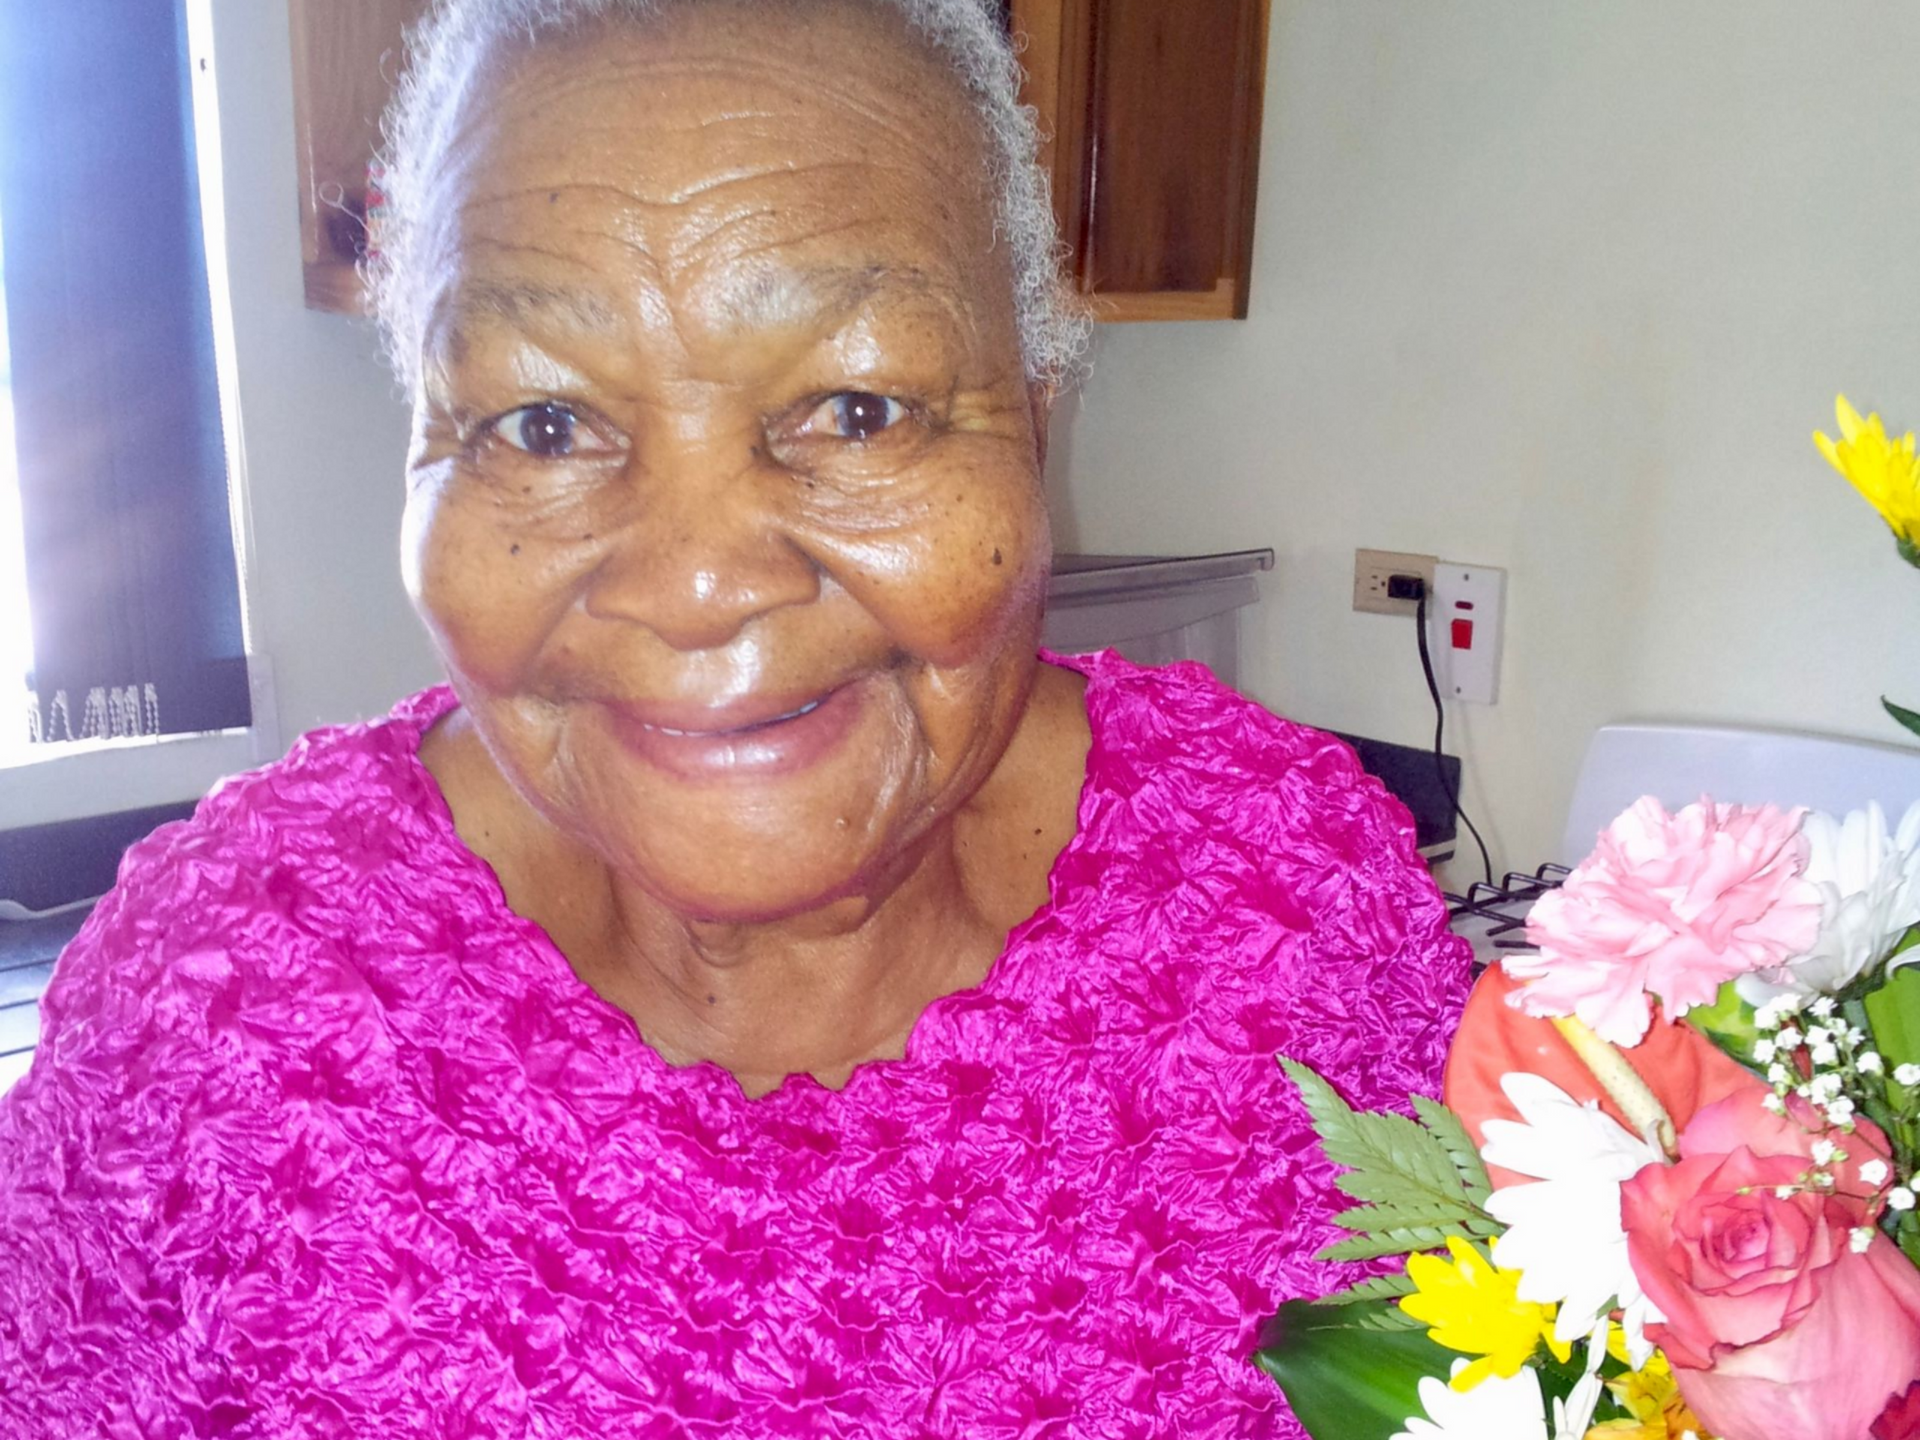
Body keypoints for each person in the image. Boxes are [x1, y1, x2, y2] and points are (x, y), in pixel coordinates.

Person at [0, 0, 1471, 1433]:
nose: (698, 584)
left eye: (856, 408)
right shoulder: (223, 1002)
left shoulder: (1285, 903)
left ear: (1035, 413)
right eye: (545, 424)